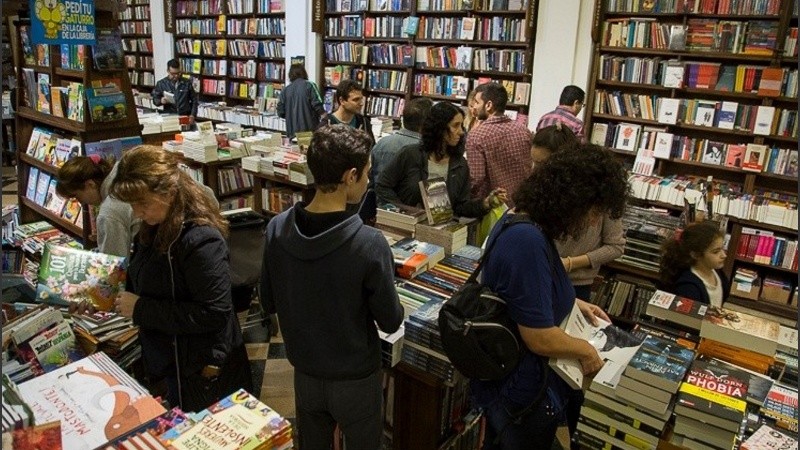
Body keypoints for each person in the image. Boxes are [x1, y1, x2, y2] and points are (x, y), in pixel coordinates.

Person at [471, 143, 628, 449]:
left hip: (521, 383)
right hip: (521, 391)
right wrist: (586, 350)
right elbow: (539, 337)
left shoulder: (526, 221)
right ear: (573, 201)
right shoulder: (527, 240)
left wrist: (573, 301)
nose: (595, 222)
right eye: (594, 212)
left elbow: (529, 290)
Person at [260, 125, 403, 450]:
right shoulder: (369, 243)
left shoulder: (277, 229)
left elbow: (267, 300)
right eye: (367, 173)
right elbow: (391, 320)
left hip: (305, 373)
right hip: (355, 378)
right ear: (351, 176)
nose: (369, 181)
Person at [110, 145, 251, 412]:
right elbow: (144, 280)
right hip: (174, 361)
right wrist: (102, 295)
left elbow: (214, 313)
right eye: (132, 205)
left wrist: (140, 309)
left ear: (170, 193)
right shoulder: (155, 227)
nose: (137, 212)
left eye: (143, 203)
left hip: (202, 370)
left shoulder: (201, 239)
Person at [56, 154, 219, 258]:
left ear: (90, 184)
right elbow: (209, 196)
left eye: (77, 196)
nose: (81, 203)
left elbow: (114, 267)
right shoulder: (132, 167)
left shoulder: (110, 212)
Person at [531, 125, 626, 301]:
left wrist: (570, 263)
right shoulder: (538, 190)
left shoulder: (600, 193)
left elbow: (615, 246)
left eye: (542, 164)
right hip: (539, 276)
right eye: (533, 163)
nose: (535, 171)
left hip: (576, 283)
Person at [376, 101, 506, 218]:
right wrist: (403, 212)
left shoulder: (460, 164)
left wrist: (486, 203)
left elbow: (461, 207)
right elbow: (383, 185)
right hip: (406, 227)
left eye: (461, 126)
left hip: (439, 231)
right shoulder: (410, 154)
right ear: (439, 128)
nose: (461, 132)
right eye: (455, 126)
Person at [466, 82, 532, 207]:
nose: (474, 106)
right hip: (522, 203)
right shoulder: (523, 130)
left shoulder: (476, 136)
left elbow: (476, 179)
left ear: (489, 105)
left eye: (477, 102)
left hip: (495, 206)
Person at [659, 221, 729, 307]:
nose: (724, 255)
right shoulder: (688, 287)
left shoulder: (718, 273)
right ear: (695, 255)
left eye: (722, 249)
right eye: (716, 252)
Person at [370, 97, 433, 187]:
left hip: (379, 199)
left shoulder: (381, 143)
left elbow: (372, 177)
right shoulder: (424, 150)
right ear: (427, 123)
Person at [277, 63, 327, 139]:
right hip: (309, 132)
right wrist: (325, 118)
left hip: (291, 133)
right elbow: (318, 105)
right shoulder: (309, 85)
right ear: (304, 72)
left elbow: (280, 112)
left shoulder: (285, 90)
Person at [318, 79, 375, 143]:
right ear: (342, 100)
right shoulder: (326, 125)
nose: (361, 103)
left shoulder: (364, 122)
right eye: (356, 100)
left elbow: (372, 148)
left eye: (361, 99)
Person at [152, 59, 198, 126]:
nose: (176, 76)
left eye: (178, 73)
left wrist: (192, 115)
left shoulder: (187, 83)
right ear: (168, 71)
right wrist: (161, 101)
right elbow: (155, 100)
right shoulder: (161, 84)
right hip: (170, 117)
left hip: (185, 115)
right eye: (173, 74)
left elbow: (194, 100)